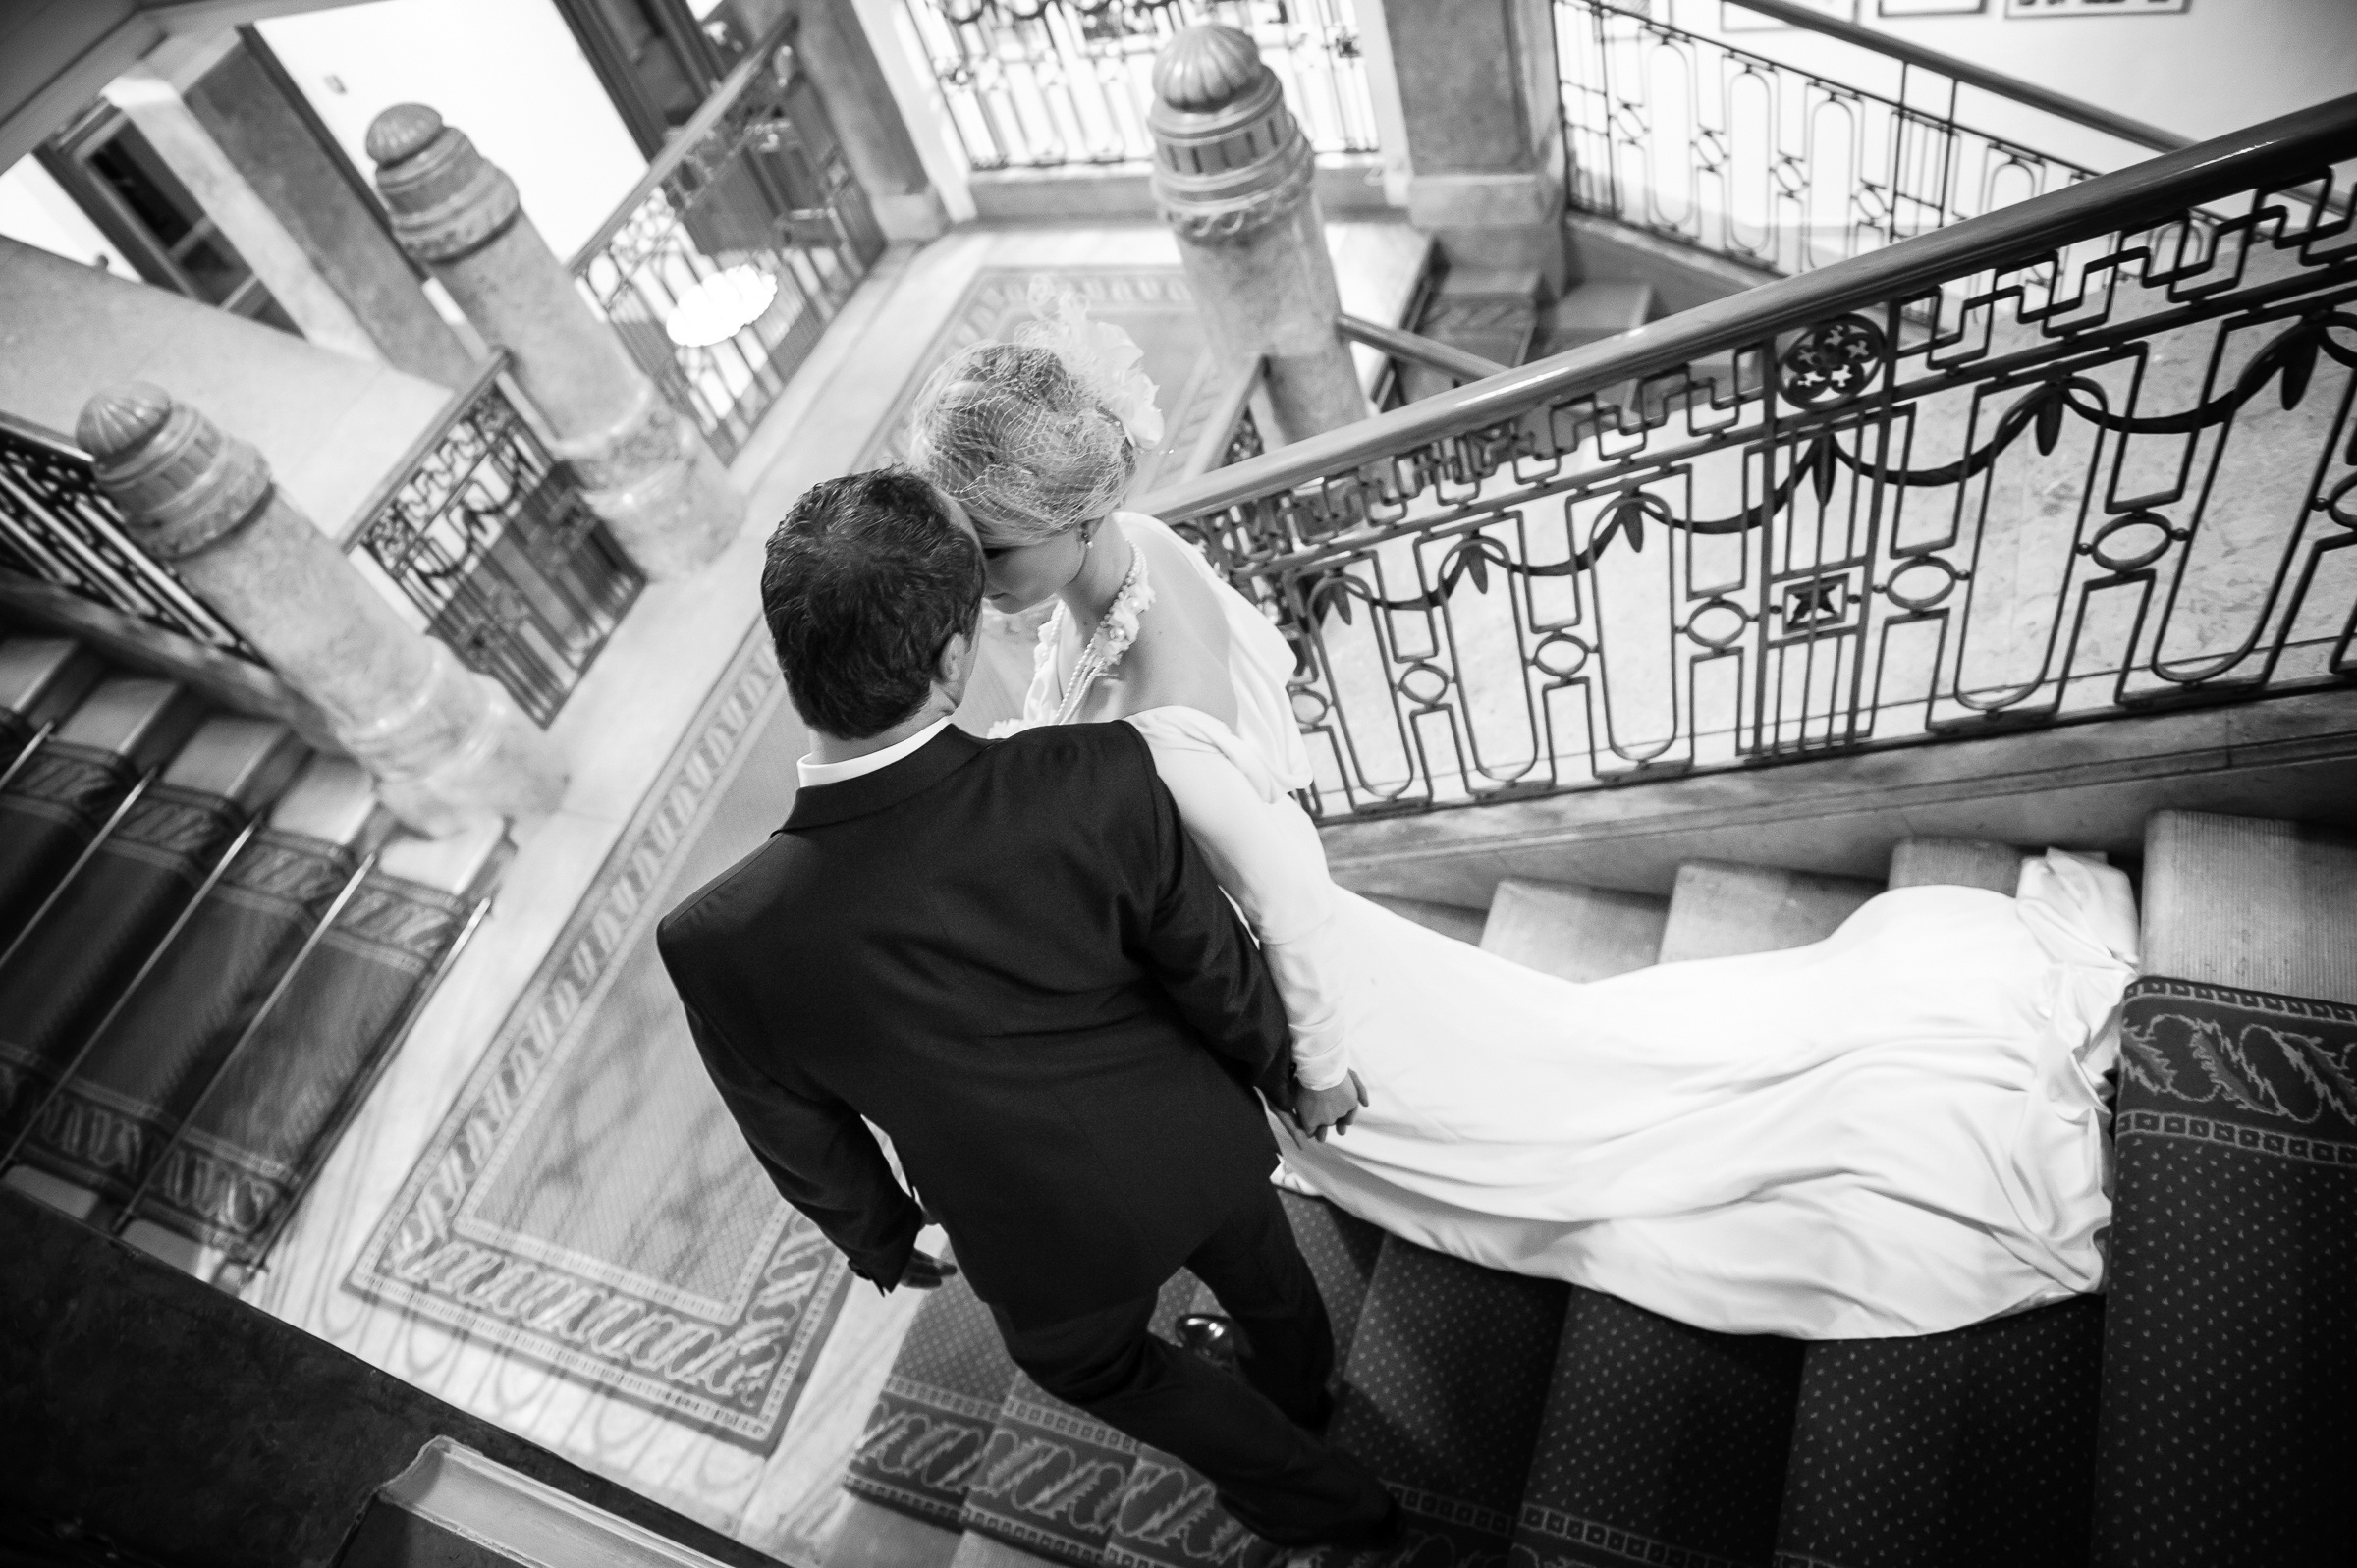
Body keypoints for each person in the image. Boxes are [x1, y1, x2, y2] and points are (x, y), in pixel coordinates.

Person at [902, 296, 2143, 1340]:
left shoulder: (1164, 723)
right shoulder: (1136, 547)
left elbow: (1280, 901)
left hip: (1300, 984)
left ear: (1078, 516)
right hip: (1324, 948)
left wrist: (1319, 1070)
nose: (971, 579)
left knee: (1529, 1136)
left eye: (991, 553)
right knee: (1546, 1056)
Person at [654, 470, 1399, 1554]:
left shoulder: (716, 940)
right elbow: (1210, 961)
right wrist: (1289, 1070)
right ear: (955, 659)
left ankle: (1328, 1504)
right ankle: (1303, 1391)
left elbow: (797, 1132)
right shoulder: (1098, 774)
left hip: (1030, 1236)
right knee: (1271, 1283)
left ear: (790, 660)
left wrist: (881, 1234)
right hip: (1198, 1140)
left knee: (1097, 1366)